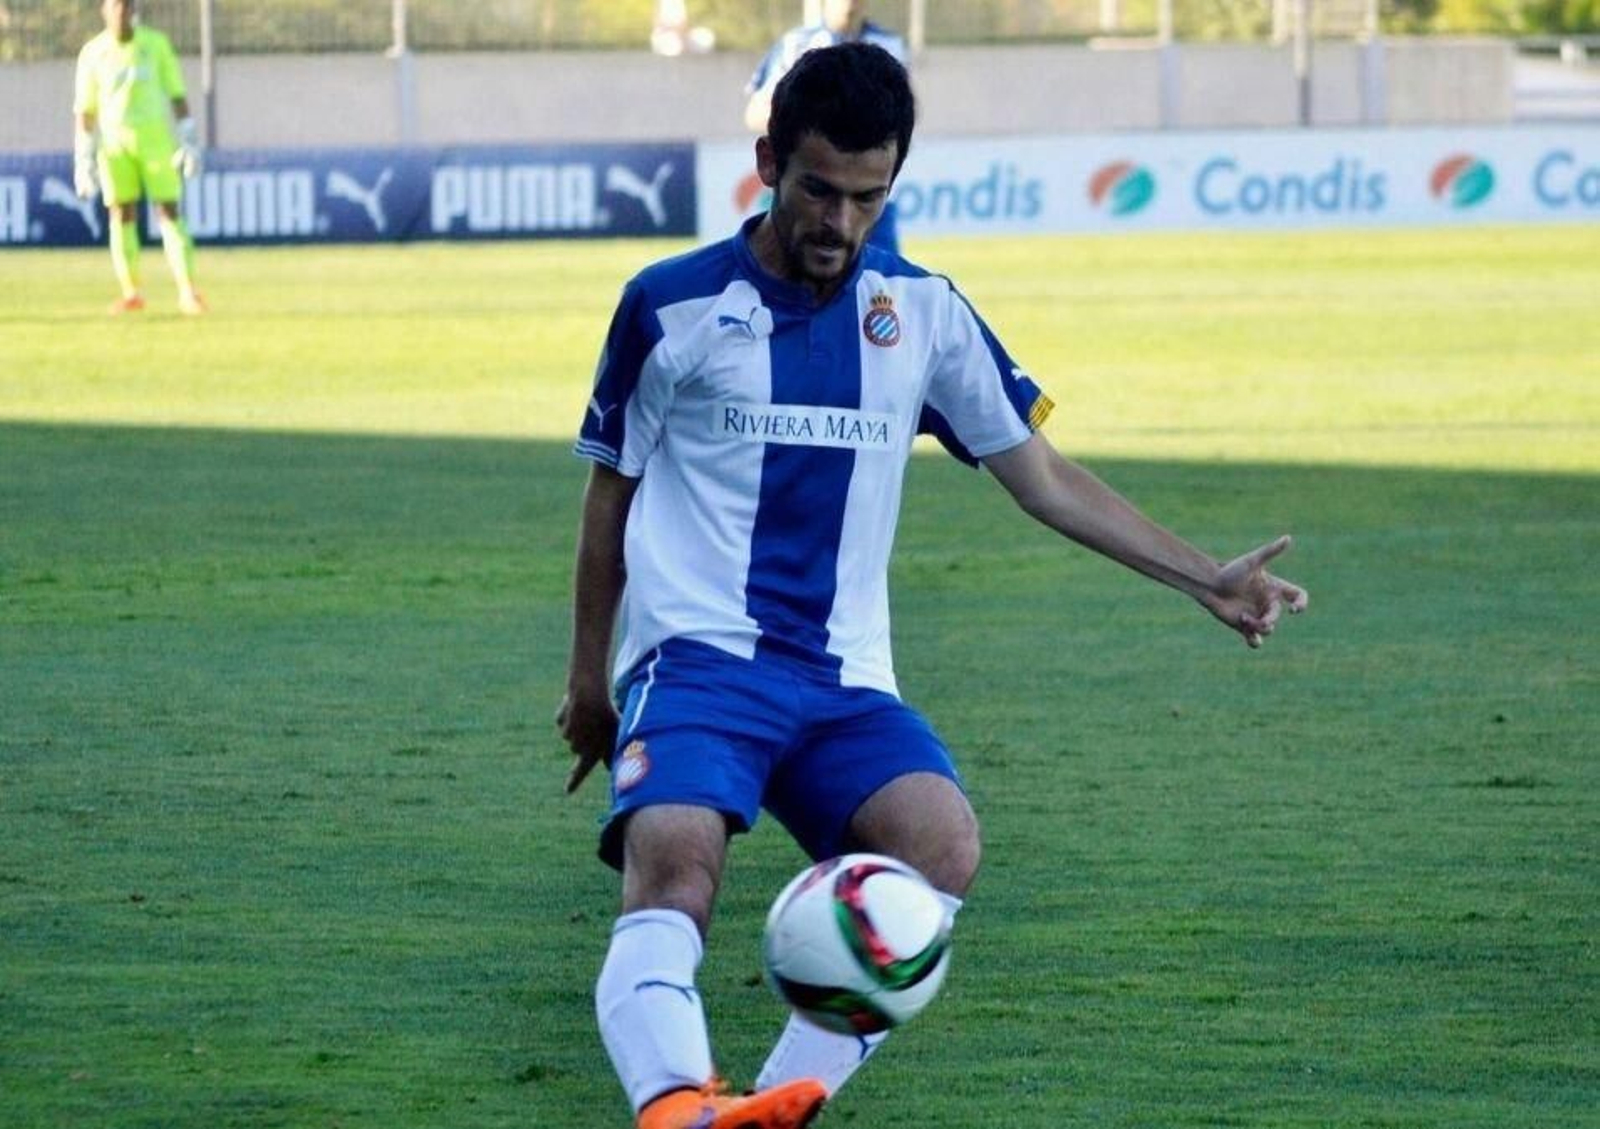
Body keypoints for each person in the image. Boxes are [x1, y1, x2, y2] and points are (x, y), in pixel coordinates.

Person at [558, 42, 1308, 1129]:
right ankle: (674, 1105)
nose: (840, 223)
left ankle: (772, 1106)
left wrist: (1206, 578)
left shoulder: (923, 313)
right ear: (767, 161)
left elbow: (1039, 475)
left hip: (841, 681)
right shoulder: (667, 307)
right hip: (697, 660)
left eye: (869, 197)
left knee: (939, 844)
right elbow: (607, 497)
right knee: (676, 866)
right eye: (819, 189)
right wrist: (590, 675)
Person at [73, 0, 205, 316]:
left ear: (135, 10)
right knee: (121, 214)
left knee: (169, 212)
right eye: (115, 6)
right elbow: (85, 109)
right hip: (114, 145)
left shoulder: (155, 45)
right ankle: (131, 292)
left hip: (155, 142)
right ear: (104, 10)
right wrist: (83, 159)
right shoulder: (92, 53)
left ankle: (188, 291)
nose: (121, 12)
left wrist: (189, 138)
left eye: (126, 6)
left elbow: (176, 94)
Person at [744, 0, 907, 253]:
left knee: (882, 285)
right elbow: (755, 112)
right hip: (815, 193)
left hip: (869, 196)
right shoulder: (796, 43)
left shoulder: (892, 44)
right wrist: (808, 124)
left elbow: (905, 112)